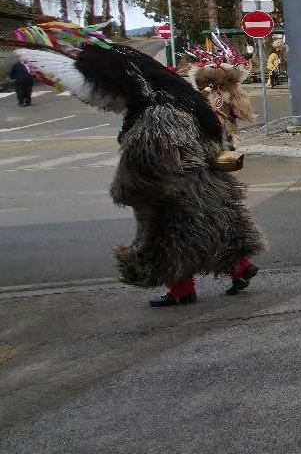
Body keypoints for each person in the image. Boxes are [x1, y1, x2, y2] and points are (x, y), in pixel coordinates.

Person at [15, 24, 264, 306]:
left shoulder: (157, 114)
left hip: (173, 192)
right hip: (204, 184)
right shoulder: (180, 99)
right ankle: (239, 268)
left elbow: (150, 165)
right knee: (215, 227)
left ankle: (182, 290)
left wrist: (127, 187)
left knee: (168, 237)